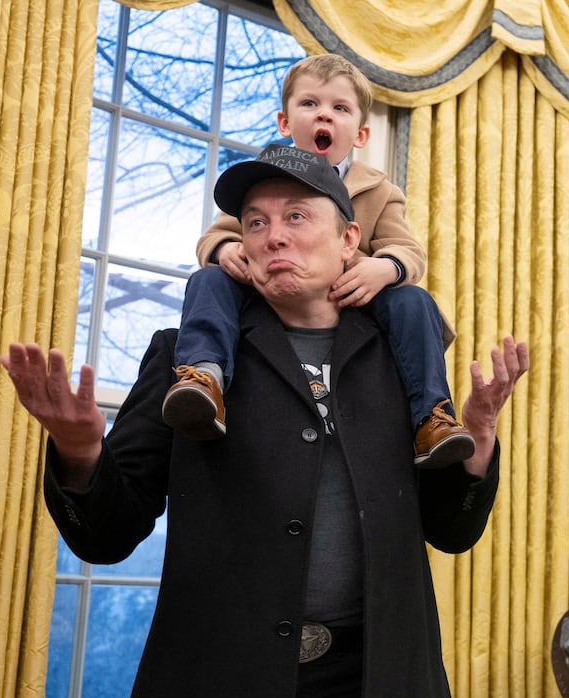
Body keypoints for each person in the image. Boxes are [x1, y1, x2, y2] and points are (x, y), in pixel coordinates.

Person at [1, 145, 528, 698]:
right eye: (255, 221)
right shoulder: (189, 358)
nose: (272, 234)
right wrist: (80, 451)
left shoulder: (402, 360)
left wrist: (478, 434)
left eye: (296, 216)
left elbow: (452, 528)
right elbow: (106, 532)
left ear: (351, 239)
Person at [165, 53, 474, 469]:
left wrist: (384, 268)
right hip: (273, 291)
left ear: (361, 133)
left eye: (339, 108)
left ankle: (432, 418)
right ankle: (204, 379)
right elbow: (214, 236)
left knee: (414, 301)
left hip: (356, 293)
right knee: (208, 281)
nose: (323, 115)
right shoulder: (262, 181)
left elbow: (409, 250)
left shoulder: (378, 189)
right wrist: (226, 251)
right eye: (309, 104)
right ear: (285, 123)